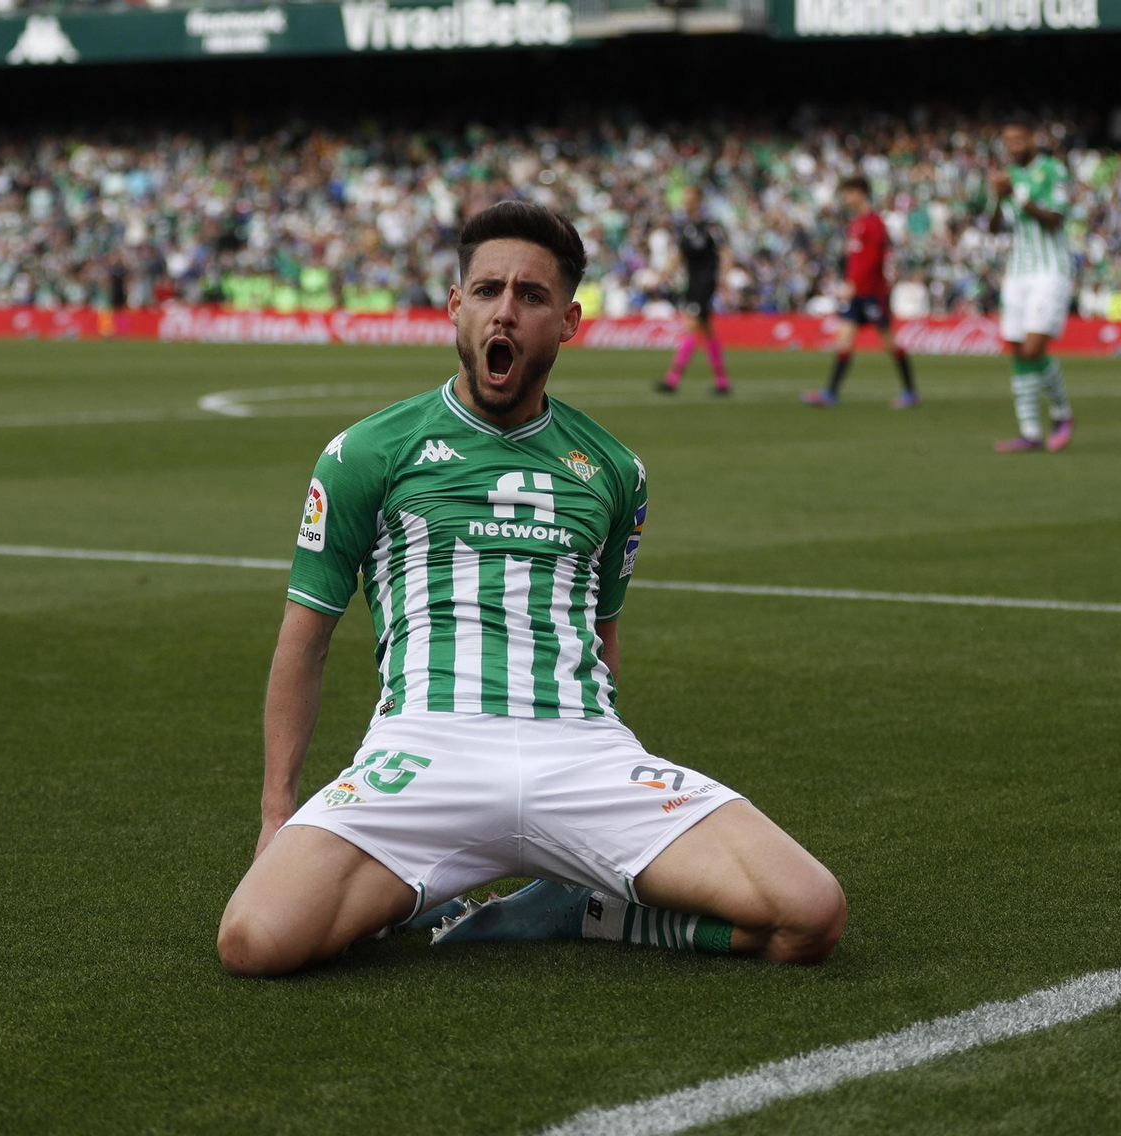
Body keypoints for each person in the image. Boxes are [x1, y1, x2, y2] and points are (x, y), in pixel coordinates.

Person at [217, 202, 847, 977]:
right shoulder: (366, 453)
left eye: (530, 295)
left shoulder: (616, 470)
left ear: (569, 321)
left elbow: (604, 637)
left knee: (809, 916)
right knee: (255, 941)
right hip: (425, 749)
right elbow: (303, 640)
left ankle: (576, 909)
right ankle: (416, 895)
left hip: (579, 751)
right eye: (486, 291)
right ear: (456, 306)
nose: (504, 311)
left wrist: (615, 786)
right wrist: (277, 816)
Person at [988, 123, 1075, 453]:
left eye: (1018, 139)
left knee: (1033, 348)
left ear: (1032, 140)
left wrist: (1017, 198)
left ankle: (1063, 414)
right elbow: (996, 228)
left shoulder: (1052, 170)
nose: (1011, 145)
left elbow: (1056, 218)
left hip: (1050, 269)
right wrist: (998, 200)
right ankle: (1030, 432)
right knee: (1016, 348)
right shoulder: (1006, 176)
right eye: (1007, 140)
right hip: (1017, 272)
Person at [802, 176, 918, 408]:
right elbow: (855, 259)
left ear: (860, 193)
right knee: (844, 339)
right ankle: (830, 393)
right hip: (855, 294)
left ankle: (910, 393)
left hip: (872, 292)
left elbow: (874, 259)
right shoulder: (855, 223)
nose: (845, 198)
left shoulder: (874, 223)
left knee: (888, 342)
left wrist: (853, 283)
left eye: (848, 193)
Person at [656, 185, 731, 396]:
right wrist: (663, 274)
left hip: (705, 283)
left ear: (698, 199)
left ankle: (673, 379)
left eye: (689, 196)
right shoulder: (685, 227)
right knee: (706, 330)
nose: (685, 200)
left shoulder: (709, 225)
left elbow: (724, 251)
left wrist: (724, 278)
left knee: (690, 325)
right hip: (692, 283)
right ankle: (722, 381)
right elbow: (678, 256)